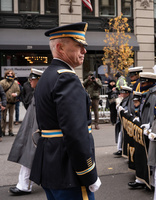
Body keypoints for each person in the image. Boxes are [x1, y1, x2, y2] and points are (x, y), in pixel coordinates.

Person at [29, 22, 101, 199]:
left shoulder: (47, 76)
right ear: (60, 47)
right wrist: (88, 174)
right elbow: (76, 133)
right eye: (78, 46)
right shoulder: (66, 78)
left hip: (51, 165)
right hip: (69, 170)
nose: (84, 51)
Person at [7, 68, 43, 195]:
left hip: (37, 131)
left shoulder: (41, 93)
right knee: (32, 157)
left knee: (30, 157)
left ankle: (24, 185)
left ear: (38, 80)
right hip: (33, 130)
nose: (30, 81)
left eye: (32, 79)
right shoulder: (38, 92)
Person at [128, 72, 156, 188]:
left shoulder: (154, 95)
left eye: (144, 82)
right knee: (141, 153)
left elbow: (152, 113)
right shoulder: (146, 93)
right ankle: (142, 179)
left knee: (150, 155)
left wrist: (149, 126)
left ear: (151, 82)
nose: (142, 84)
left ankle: (151, 182)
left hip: (149, 129)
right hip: (142, 126)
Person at [0, 70, 20, 136]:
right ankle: (3, 130)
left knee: (11, 117)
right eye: (8, 73)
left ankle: (10, 130)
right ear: (6, 74)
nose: (10, 74)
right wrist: (1, 103)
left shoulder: (15, 82)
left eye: (11, 73)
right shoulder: (2, 82)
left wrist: (16, 94)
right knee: (3, 117)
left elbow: (18, 91)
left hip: (12, 102)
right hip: (5, 102)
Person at [114, 86, 132, 156]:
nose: (121, 94)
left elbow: (127, 109)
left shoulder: (129, 100)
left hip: (126, 120)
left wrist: (121, 109)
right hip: (121, 120)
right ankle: (119, 149)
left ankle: (121, 150)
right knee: (120, 134)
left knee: (123, 134)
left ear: (127, 93)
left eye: (123, 92)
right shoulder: (124, 99)